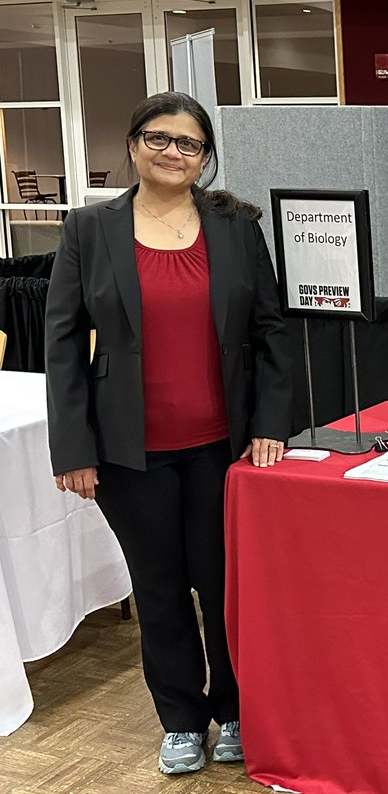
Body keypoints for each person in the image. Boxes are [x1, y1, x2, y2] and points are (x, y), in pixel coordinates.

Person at [44, 92, 291, 776]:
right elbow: (62, 345)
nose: (172, 152)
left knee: (224, 586)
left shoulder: (237, 228)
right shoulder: (89, 229)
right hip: (130, 454)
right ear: (132, 144)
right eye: (159, 138)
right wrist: (73, 448)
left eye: (189, 144)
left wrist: (271, 425)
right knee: (157, 588)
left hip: (222, 448)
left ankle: (236, 709)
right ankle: (181, 719)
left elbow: (269, 333)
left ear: (205, 158)